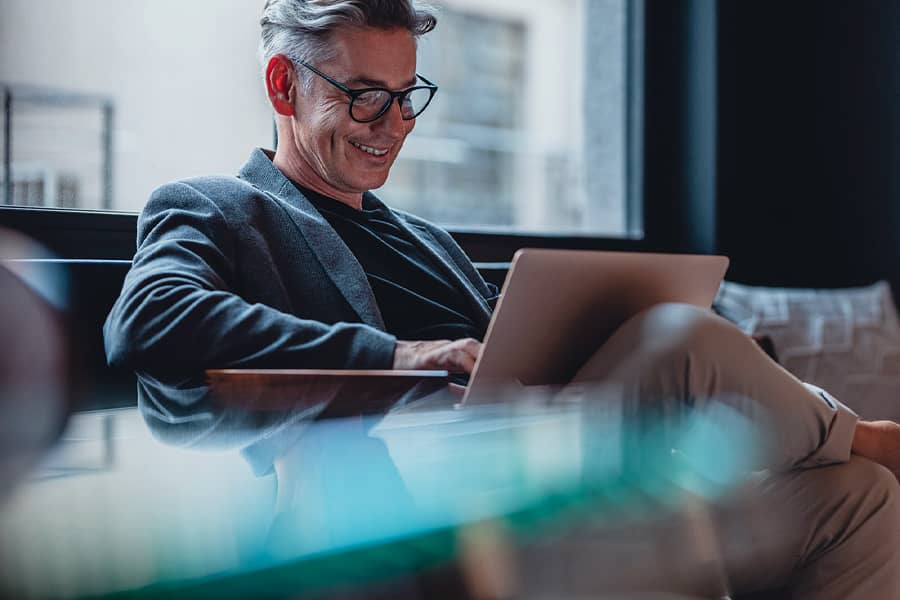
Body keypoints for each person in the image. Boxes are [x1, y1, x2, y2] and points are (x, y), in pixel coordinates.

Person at [104, 1, 900, 597]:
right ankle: (857, 430)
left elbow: (524, 344)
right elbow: (151, 318)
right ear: (283, 83)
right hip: (424, 510)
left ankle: (849, 449)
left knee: (859, 497)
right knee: (679, 341)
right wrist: (402, 354)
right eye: (364, 96)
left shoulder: (427, 240)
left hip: (557, 472)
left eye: (407, 93)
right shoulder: (214, 205)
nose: (394, 125)